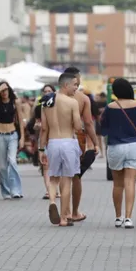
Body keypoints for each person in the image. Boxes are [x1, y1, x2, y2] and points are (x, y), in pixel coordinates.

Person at [39, 72, 83, 227]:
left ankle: (52, 201)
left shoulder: (46, 102)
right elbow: (78, 127)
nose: (76, 88)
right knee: (67, 180)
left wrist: (41, 149)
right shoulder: (72, 103)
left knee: (53, 179)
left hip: (52, 142)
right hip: (68, 142)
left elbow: (44, 128)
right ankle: (64, 218)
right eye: (75, 85)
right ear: (66, 85)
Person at [101, 78, 136, 229]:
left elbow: (103, 129)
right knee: (130, 182)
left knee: (118, 184)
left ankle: (118, 217)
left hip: (115, 146)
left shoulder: (110, 107)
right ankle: (128, 218)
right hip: (134, 145)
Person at [66, 69, 98, 222]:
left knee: (62, 177)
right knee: (76, 177)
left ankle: (63, 212)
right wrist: (96, 143)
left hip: (57, 141)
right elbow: (88, 123)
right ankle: (74, 212)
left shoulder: (53, 98)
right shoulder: (83, 99)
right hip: (77, 142)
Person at [0, 81, 25, 199]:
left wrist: (22, 137)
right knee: (2, 166)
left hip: (13, 135)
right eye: (2, 91)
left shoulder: (15, 102)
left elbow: (20, 120)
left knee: (12, 161)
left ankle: (16, 190)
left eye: (6, 90)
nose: (4, 93)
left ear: (10, 90)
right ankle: (6, 191)